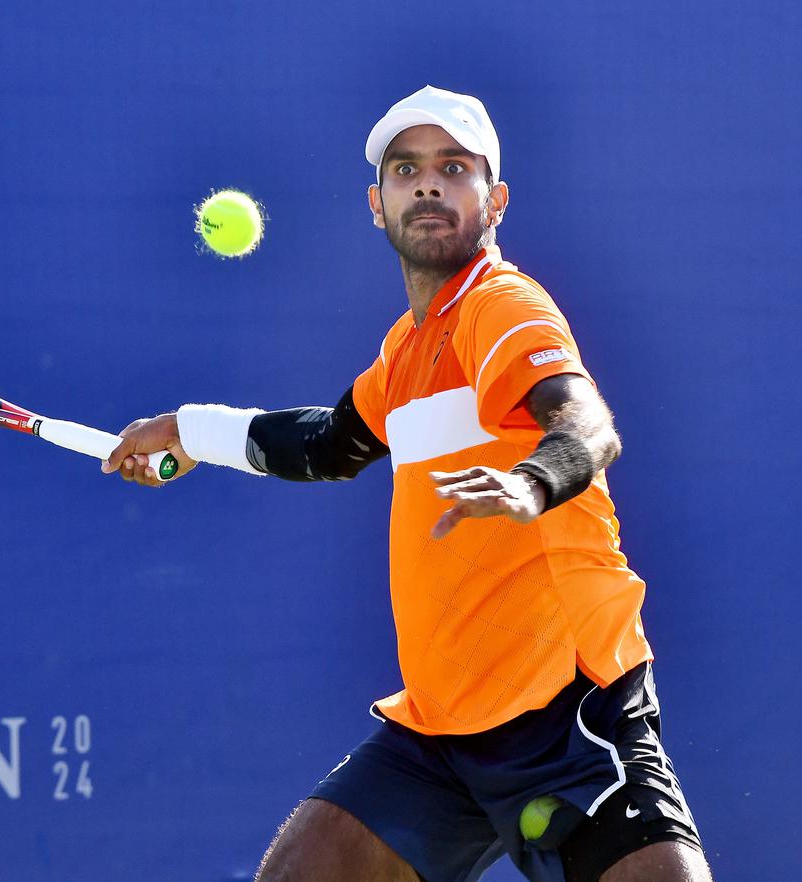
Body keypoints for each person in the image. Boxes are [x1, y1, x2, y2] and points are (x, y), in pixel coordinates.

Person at [101, 86, 711, 882]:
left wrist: (532, 483)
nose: (427, 183)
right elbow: (329, 443)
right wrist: (188, 427)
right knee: (301, 873)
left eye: (452, 167)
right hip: (443, 733)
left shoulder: (502, 307)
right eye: (406, 168)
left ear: (493, 200)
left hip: (570, 713)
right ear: (376, 204)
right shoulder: (406, 352)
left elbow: (586, 424)